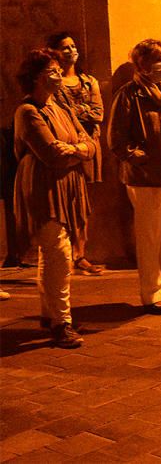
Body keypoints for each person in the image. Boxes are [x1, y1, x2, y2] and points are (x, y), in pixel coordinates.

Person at [13, 48, 96, 347]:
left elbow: (90, 143)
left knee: (53, 252)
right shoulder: (28, 112)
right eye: (52, 70)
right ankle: (63, 322)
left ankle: (50, 314)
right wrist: (77, 151)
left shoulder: (60, 107)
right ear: (36, 76)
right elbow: (50, 154)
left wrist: (75, 149)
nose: (59, 74)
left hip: (66, 186)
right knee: (59, 253)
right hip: (43, 189)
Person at [108, 39, 161, 315]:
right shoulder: (129, 94)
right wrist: (136, 155)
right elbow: (115, 137)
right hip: (145, 175)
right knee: (149, 235)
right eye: (157, 60)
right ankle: (152, 293)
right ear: (142, 65)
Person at [47, 31, 105, 276]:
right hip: (68, 144)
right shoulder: (54, 83)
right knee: (67, 199)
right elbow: (59, 112)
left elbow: (98, 113)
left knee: (83, 202)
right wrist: (80, 111)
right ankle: (67, 253)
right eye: (64, 47)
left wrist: (75, 111)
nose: (71, 51)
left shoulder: (89, 81)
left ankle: (81, 253)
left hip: (88, 143)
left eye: (73, 46)